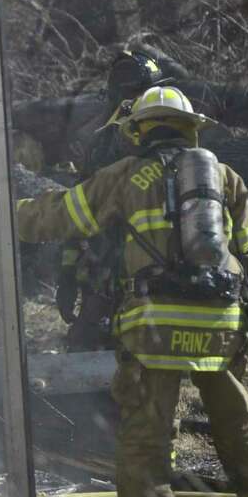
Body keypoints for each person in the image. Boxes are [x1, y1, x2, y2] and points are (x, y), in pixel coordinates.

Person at [17, 86, 248, 497]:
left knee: (147, 431)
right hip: (220, 323)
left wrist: (10, 215)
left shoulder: (125, 176)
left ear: (139, 131)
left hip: (155, 324)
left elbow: (63, 216)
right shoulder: (223, 177)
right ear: (192, 129)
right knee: (239, 422)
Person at [57, 50, 168, 350]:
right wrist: (68, 274)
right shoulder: (112, 140)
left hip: (132, 272)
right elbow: (81, 210)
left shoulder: (112, 139)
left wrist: (68, 275)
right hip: (122, 269)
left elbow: (77, 213)